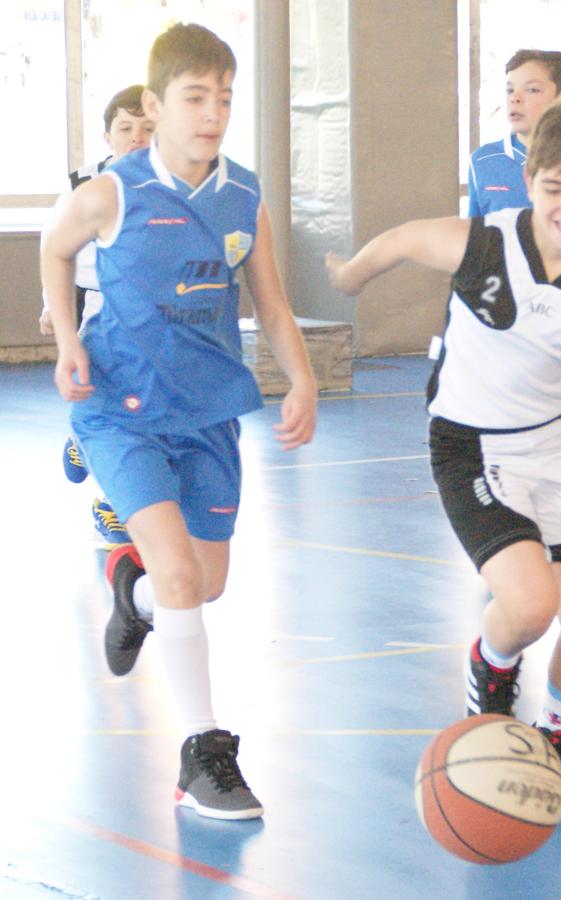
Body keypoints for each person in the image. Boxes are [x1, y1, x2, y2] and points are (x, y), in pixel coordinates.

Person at [327, 98, 561, 801]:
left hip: (553, 439)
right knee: (530, 604)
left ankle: (560, 739)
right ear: (531, 179)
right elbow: (407, 238)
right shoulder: (487, 243)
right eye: (554, 187)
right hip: (469, 445)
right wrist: (352, 273)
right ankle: (491, 668)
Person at [42, 23, 317, 820]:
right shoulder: (111, 194)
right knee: (182, 571)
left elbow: (271, 301)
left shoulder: (243, 196)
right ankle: (203, 752)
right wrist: (66, 341)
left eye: (225, 99)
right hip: (118, 410)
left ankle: (132, 595)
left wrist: (298, 377)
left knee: (205, 583)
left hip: (209, 413)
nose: (213, 114)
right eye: (196, 98)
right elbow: (53, 252)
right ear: (156, 106)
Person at [40, 84, 156, 547]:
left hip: (156, 318)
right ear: (109, 136)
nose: (137, 137)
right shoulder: (82, 185)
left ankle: (90, 458)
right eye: (126, 129)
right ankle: (109, 496)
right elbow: (53, 246)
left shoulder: (176, 184)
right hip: (100, 314)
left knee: (145, 410)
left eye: (147, 128)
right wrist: (51, 303)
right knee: (114, 408)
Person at [468, 49, 561, 215]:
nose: (515, 98)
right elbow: (473, 233)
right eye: (510, 90)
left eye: (532, 90)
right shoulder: (483, 160)